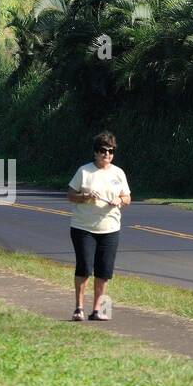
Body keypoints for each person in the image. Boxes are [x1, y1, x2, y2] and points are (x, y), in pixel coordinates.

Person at [66, 131, 131, 321]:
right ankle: (79, 308)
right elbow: (70, 195)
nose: (107, 155)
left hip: (110, 228)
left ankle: (99, 310)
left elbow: (127, 197)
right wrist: (84, 197)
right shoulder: (84, 171)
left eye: (110, 151)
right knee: (85, 268)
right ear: (95, 152)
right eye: (103, 151)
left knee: (104, 271)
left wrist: (119, 200)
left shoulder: (118, 173)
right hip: (83, 227)